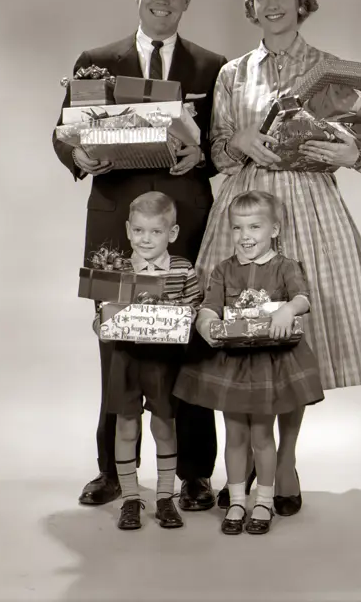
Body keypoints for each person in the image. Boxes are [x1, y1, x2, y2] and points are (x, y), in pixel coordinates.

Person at [194, 0, 361, 516]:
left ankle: (283, 460)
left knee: (290, 335)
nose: (273, 5)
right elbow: (214, 151)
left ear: (302, 0)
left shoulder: (330, 68)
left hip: (308, 207)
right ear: (251, 5)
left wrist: (355, 152)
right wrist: (238, 139)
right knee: (241, 326)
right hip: (245, 209)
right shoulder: (233, 73)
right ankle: (246, 460)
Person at [52, 0, 226, 511]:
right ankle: (111, 471)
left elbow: (222, 145)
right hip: (115, 222)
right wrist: (79, 151)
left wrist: (202, 154)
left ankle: (197, 474)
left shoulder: (212, 66)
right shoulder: (95, 61)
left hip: (188, 221)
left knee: (191, 341)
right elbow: (62, 131)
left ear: (187, 0)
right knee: (117, 341)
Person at [174, 191, 324, 535]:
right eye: (238, 228)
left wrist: (288, 309)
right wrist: (205, 324)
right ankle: (238, 498)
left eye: (255, 226)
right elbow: (209, 307)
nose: (246, 236)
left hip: (269, 365)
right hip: (233, 365)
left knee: (262, 435)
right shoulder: (223, 270)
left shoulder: (286, 267)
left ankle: (264, 500)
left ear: (274, 229)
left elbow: (301, 297)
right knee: (235, 435)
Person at [92, 192, 202, 530]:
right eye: (139, 231)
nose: (145, 239)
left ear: (171, 233)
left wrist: (183, 316)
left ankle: (166, 496)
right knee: (126, 424)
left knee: (165, 424)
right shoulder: (118, 268)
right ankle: (130, 498)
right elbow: (102, 314)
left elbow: (195, 308)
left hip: (164, 360)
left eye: (155, 232)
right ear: (127, 229)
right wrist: (101, 324)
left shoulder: (183, 269)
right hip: (125, 358)